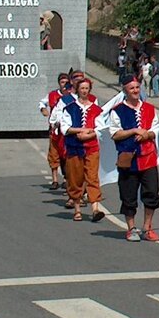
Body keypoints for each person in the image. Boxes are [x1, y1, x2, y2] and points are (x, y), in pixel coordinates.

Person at [108, 74, 159, 242]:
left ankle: (147, 227)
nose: (135, 91)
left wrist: (147, 134)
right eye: (131, 88)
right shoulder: (117, 111)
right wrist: (133, 131)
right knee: (128, 195)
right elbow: (115, 134)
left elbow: (156, 129)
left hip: (148, 158)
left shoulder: (149, 108)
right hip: (128, 158)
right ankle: (131, 227)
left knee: (151, 193)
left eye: (137, 87)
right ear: (125, 90)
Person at [54, 77, 105, 222]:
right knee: (75, 178)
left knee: (92, 177)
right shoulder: (69, 108)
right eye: (82, 88)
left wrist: (90, 134)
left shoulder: (96, 110)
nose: (84, 91)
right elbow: (65, 128)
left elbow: (100, 129)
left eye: (86, 88)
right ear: (78, 90)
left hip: (91, 148)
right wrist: (80, 131)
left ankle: (95, 208)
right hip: (74, 148)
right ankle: (77, 208)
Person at [40, 73, 73, 190]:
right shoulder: (53, 95)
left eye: (66, 82)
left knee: (66, 155)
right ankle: (54, 180)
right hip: (55, 130)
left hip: (67, 131)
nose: (64, 85)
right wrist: (43, 110)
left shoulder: (73, 97)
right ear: (59, 83)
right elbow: (42, 103)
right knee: (54, 154)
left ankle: (66, 179)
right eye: (62, 82)